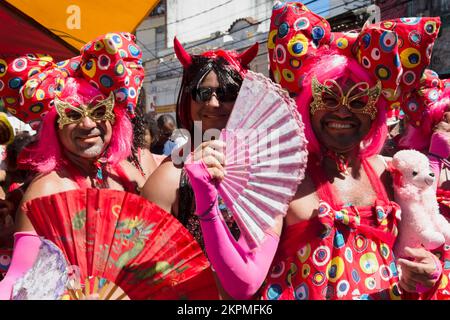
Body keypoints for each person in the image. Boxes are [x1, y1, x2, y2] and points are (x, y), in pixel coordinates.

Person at [182, 2, 446, 300]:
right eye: (328, 97)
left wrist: (429, 271)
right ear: (308, 104)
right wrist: (206, 200)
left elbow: (420, 255)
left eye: (359, 101)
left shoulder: (394, 174)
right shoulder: (281, 177)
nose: (343, 111)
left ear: (377, 113)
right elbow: (243, 283)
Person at [0, 32, 146, 299]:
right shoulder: (45, 192)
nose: (88, 124)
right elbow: (18, 279)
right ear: (54, 127)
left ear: (115, 119)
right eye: (72, 114)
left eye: (99, 111)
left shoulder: (127, 174)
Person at [141, 38, 259, 249]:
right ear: (188, 100)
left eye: (228, 93)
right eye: (202, 93)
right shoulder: (170, 177)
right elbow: (147, 266)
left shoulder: (266, 166)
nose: (214, 103)